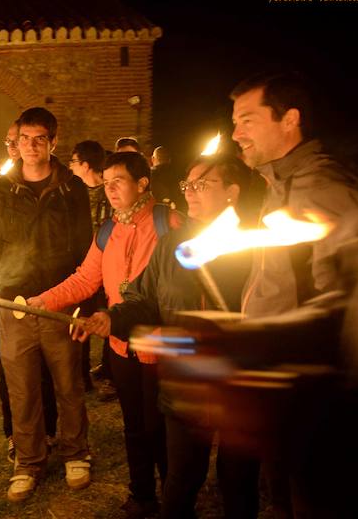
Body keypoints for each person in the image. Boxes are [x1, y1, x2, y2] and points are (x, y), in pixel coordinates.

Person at [72, 153, 264, 519]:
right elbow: (145, 299)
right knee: (180, 481)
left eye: (201, 185)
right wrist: (111, 318)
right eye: (187, 185)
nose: (190, 192)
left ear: (232, 192)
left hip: (238, 383)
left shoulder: (255, 246)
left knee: (238, 482)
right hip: (186, 381)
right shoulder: (173, 244)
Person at [230, 71, 358, 516]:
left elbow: (347, 308)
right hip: (279, 386)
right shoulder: (280, 184)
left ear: (290, 120)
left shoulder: (319, 189)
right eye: (234, 122)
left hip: (307, 397)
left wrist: (270, 348)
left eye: (247, 120)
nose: (235, 133)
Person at [28, 151, 184, 516]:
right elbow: (85, 279)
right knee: (134, 427)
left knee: (162, 430)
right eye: (107, 182)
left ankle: (175, 501)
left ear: (142, 183)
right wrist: (44, 301)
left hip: (162, 345)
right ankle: (142, 496)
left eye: (120, 182)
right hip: (121, 345)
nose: (110, 189)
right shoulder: (109, 229)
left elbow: (180, 291)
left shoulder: (170, 223)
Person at [0, 107, 93, 502]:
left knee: (68, 384)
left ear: (53, 142)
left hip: (61, 302)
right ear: (17, 142)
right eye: (24, 138)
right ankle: (28, 461)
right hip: (15, 303)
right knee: (22, 389)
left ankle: (76, 452)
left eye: (39, 138)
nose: (30, 146)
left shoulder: (72, 188)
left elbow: (85, 248)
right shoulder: (2, 189)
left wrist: (83, 302)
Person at [0, 122, 59, 465]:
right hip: (9, 293)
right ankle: (16, 435)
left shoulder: (58, 184)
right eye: (12, 141)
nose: (17, 147)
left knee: (50, 369)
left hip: (51, 291)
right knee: (11, 369)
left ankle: (50, 431)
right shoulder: (1, 188)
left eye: (22, 140)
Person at [68, 140, 114, 396]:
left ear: (85, 165)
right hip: (84, 268)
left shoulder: (110, 192)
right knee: (82, 318)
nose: (70, 167)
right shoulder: (74, 193)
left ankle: (111, 373)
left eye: (73, 161)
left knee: (111, 317)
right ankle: (82, 375)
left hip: (110, 267)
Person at [150, 146, 183, 211]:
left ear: (153, 159)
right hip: (180, 211)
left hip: (159, 213)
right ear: (169, 159)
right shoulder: (180, 174)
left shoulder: (149, 176)